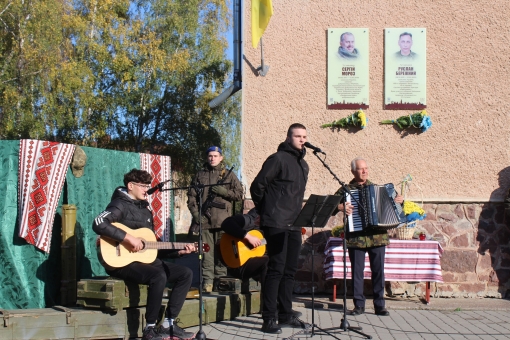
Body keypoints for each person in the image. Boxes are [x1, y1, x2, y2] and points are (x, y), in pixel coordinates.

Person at [92, 169, 195, 340]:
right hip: (119, 262)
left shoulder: (146, 210)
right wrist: (128, 238)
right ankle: (149, 329)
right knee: (158, 275)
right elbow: (98, 223)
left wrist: (179, 251)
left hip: (140, 261)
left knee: (185, 273)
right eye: (142, 186)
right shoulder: (119, 204)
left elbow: (150, 248)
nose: (146, 189)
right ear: (130, 186)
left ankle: (169, 324)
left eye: (148, 186)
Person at [250, 123, 309, 334]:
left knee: (290, 271)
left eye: (304, 136)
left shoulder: (304, 165)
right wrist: (267, 210)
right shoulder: (277, 159)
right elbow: (257, 186)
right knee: (276, 269)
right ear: (288, 138)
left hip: (295, 224)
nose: (302, 140)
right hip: (275, 222)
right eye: (297, 136)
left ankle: (285, 314)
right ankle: (269, 318)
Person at [334, 157, 404, 317]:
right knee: (356, 272)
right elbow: (330, 208)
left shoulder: (380, 189)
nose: (365, 171)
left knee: (378, 271)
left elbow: (396, 209)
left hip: (377, 237)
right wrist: (339, 207)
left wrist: (400, 201)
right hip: (356, 237)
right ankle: (358, 305)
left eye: (366, 168)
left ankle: (380, 305)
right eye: (361, 169)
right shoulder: (344, 190)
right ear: (353, 171)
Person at [187, 146, 243, 293]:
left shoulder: (229, 175)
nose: (212, 158)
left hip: (223, 221)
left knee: (222, 251)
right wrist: (195, 213)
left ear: (221, 157)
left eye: (215, 156)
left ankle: (221, 280)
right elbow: (191, 196)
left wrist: (224, 192)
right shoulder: (200, 175)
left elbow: (239, 194)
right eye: (210, 156)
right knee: (206, 252)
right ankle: (207, 282)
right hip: (205, 220)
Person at [220, 208, 268, 285]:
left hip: (253, 262)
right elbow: (226, 223)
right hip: (237, 264)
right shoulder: (251, 219)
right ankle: (267, 296)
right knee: (269, 263)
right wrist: (247, 236)